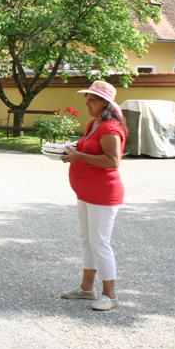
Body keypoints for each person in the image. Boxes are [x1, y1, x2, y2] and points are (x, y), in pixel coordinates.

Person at [60, 80, 127, 311]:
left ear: (105, 103)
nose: (87, 104)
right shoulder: (94, 124)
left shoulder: (110, 128)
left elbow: (112, 160)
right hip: (86, 193)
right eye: (86, 99)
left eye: (93, 100)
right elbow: (87, 148)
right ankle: (87, 289)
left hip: (103, 195)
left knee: (100, 243)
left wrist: (80, 157)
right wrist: (72, 150)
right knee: (87, 242)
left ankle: (110, 295)